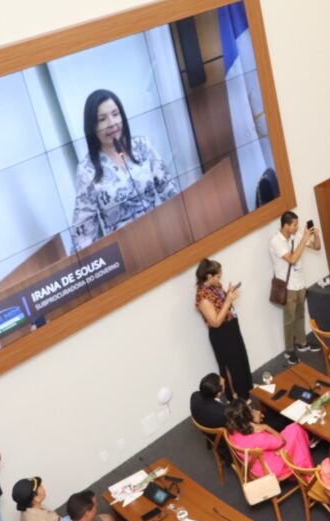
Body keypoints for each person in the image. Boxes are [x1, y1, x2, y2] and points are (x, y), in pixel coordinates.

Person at [71, 89, 179, 252]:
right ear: (91, 126)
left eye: (115, 114)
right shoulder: (87, 170)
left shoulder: (142, 145)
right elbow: (83, 233)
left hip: (163, 236)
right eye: (102, 119)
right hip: (125, 251)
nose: (112, 123)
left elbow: (170, 191)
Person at [195, 258, 253, 401]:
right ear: (209, 276)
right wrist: (228, 301)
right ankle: (236, 397)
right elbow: (215, 322)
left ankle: (245, 391)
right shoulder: (202, 297)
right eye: (218, 276)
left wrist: (228, 294)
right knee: (230, 366)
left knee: (240, 359)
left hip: (231, 326)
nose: (219, 279)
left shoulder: (215, 286)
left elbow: (221, 305)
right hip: (221, 334)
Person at [269, 210, 322, 365]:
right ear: (285, 225)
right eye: (294, 225)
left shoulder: (296, 235)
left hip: (300, 283)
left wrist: (316, 236)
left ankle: (302, 343)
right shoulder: (276, 241)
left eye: (297, 224)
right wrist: (304, 238)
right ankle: (289, 350)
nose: (297, 227)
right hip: (288, 287)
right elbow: (292, 259)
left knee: (300, 315)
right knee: (289, 320)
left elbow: (317, 247)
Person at [224, 399, 314, 479]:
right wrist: (265, 426)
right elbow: (282, 441)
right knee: (296, 429)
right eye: (250, 409)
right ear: (247, 415)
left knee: (292, 429)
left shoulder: (232, 433)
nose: (252, 409)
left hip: (256, 466)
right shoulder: (259, 437)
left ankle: (307, 448)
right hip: (271, 469)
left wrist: (255, 424)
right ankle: (307, 472)